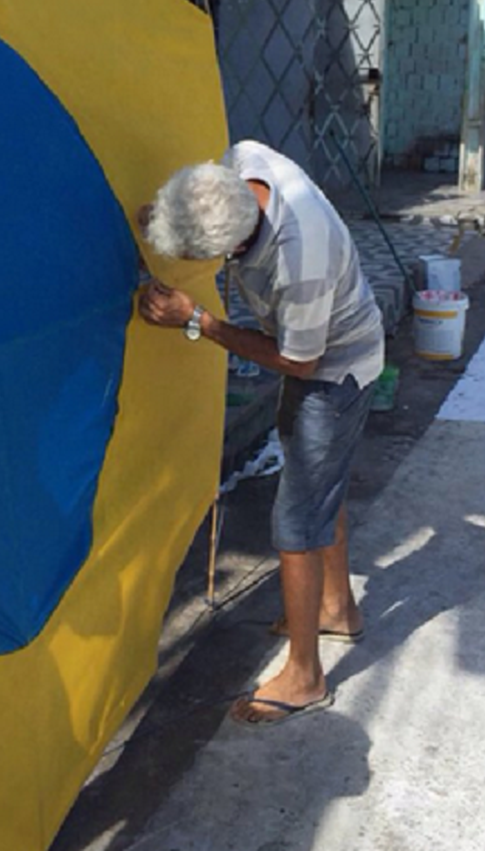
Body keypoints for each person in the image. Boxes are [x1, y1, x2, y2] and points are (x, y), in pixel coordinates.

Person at [138, 140, 383, 725]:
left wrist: (198, 322)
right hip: (331, 352)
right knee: (320, 487)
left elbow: (300, 362)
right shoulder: (247, 161)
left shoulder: (301, 261)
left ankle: (305, 675)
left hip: (333, 371)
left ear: (228, 248)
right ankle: (337, 606)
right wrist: (162, 216)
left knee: (295, 523)